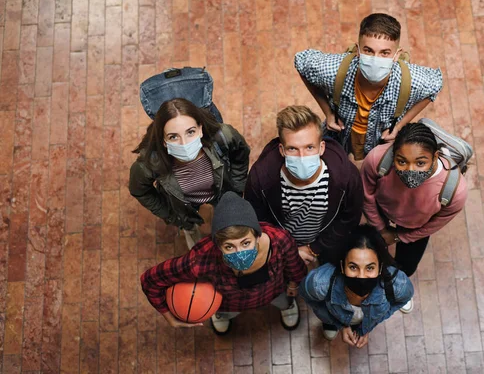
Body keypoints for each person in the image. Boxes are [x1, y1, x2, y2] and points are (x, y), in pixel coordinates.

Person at [140, 192, 307, 334]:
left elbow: (295, 268)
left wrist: (293, 286)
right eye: (229, 246)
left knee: (285, 301)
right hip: (230, 303)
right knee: (226, 313)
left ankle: (288, 306)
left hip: (274, 292)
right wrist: (168, 316)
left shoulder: (280, 240)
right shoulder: (201, 260)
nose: (239, 253)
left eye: (245, 243)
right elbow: (150, 280)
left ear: (257, 235)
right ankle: (220, 314)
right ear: (217, 245)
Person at [295, 13, 443, 160]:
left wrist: (398, 126)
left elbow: (435, 85)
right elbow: (301, 62)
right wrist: (327, 112)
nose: (375, 59)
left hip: (380, 140)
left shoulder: (411, 80)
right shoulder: (334, 70)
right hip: (341, 133)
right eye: (368, 51)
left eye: (385, 53)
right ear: (358, 50)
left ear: (397, 55)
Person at [244, 105, 363, 265]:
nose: (302, 157)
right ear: (282, 150)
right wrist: (287, 250)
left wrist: (315, 248)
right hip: (279, 247)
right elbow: (259, 222)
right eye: (292, 148)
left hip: (327, 244)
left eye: (309, 147)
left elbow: (348, 219)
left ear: (321, 148)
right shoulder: (260, 180)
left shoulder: (346, 177)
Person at [129, 98, 250, 249]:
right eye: (173, 136)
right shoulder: (149, 164)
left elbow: (241, 154)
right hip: (183, 208)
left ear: (200, 129)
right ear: (163, 141)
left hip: (221, 192)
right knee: (195, 243)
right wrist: (172, 215)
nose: (184, 143)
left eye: (190, 132)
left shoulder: (223, 136)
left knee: (228, 227)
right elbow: (140, 191)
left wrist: (237, 189)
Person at [361, 122, 468, 276]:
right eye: (402, 161)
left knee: (407, 267)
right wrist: (381, 228)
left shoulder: (455, 191)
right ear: (393, 154)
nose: (410, 170)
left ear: (435, 156)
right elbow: (367, 196)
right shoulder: (377, 159)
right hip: (382, 208)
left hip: (415, 225)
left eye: (420, 163)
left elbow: (433, 225)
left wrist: (399, 236)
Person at [299, 225, 414, 347]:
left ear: (380, 267)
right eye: (353, 267)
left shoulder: (398, 285)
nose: (361, 276)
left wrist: (369, 326)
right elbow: (309, 298)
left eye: (370, 268)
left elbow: (403, 299)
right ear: (342, 266)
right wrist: (337, 324)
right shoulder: (319, 284)